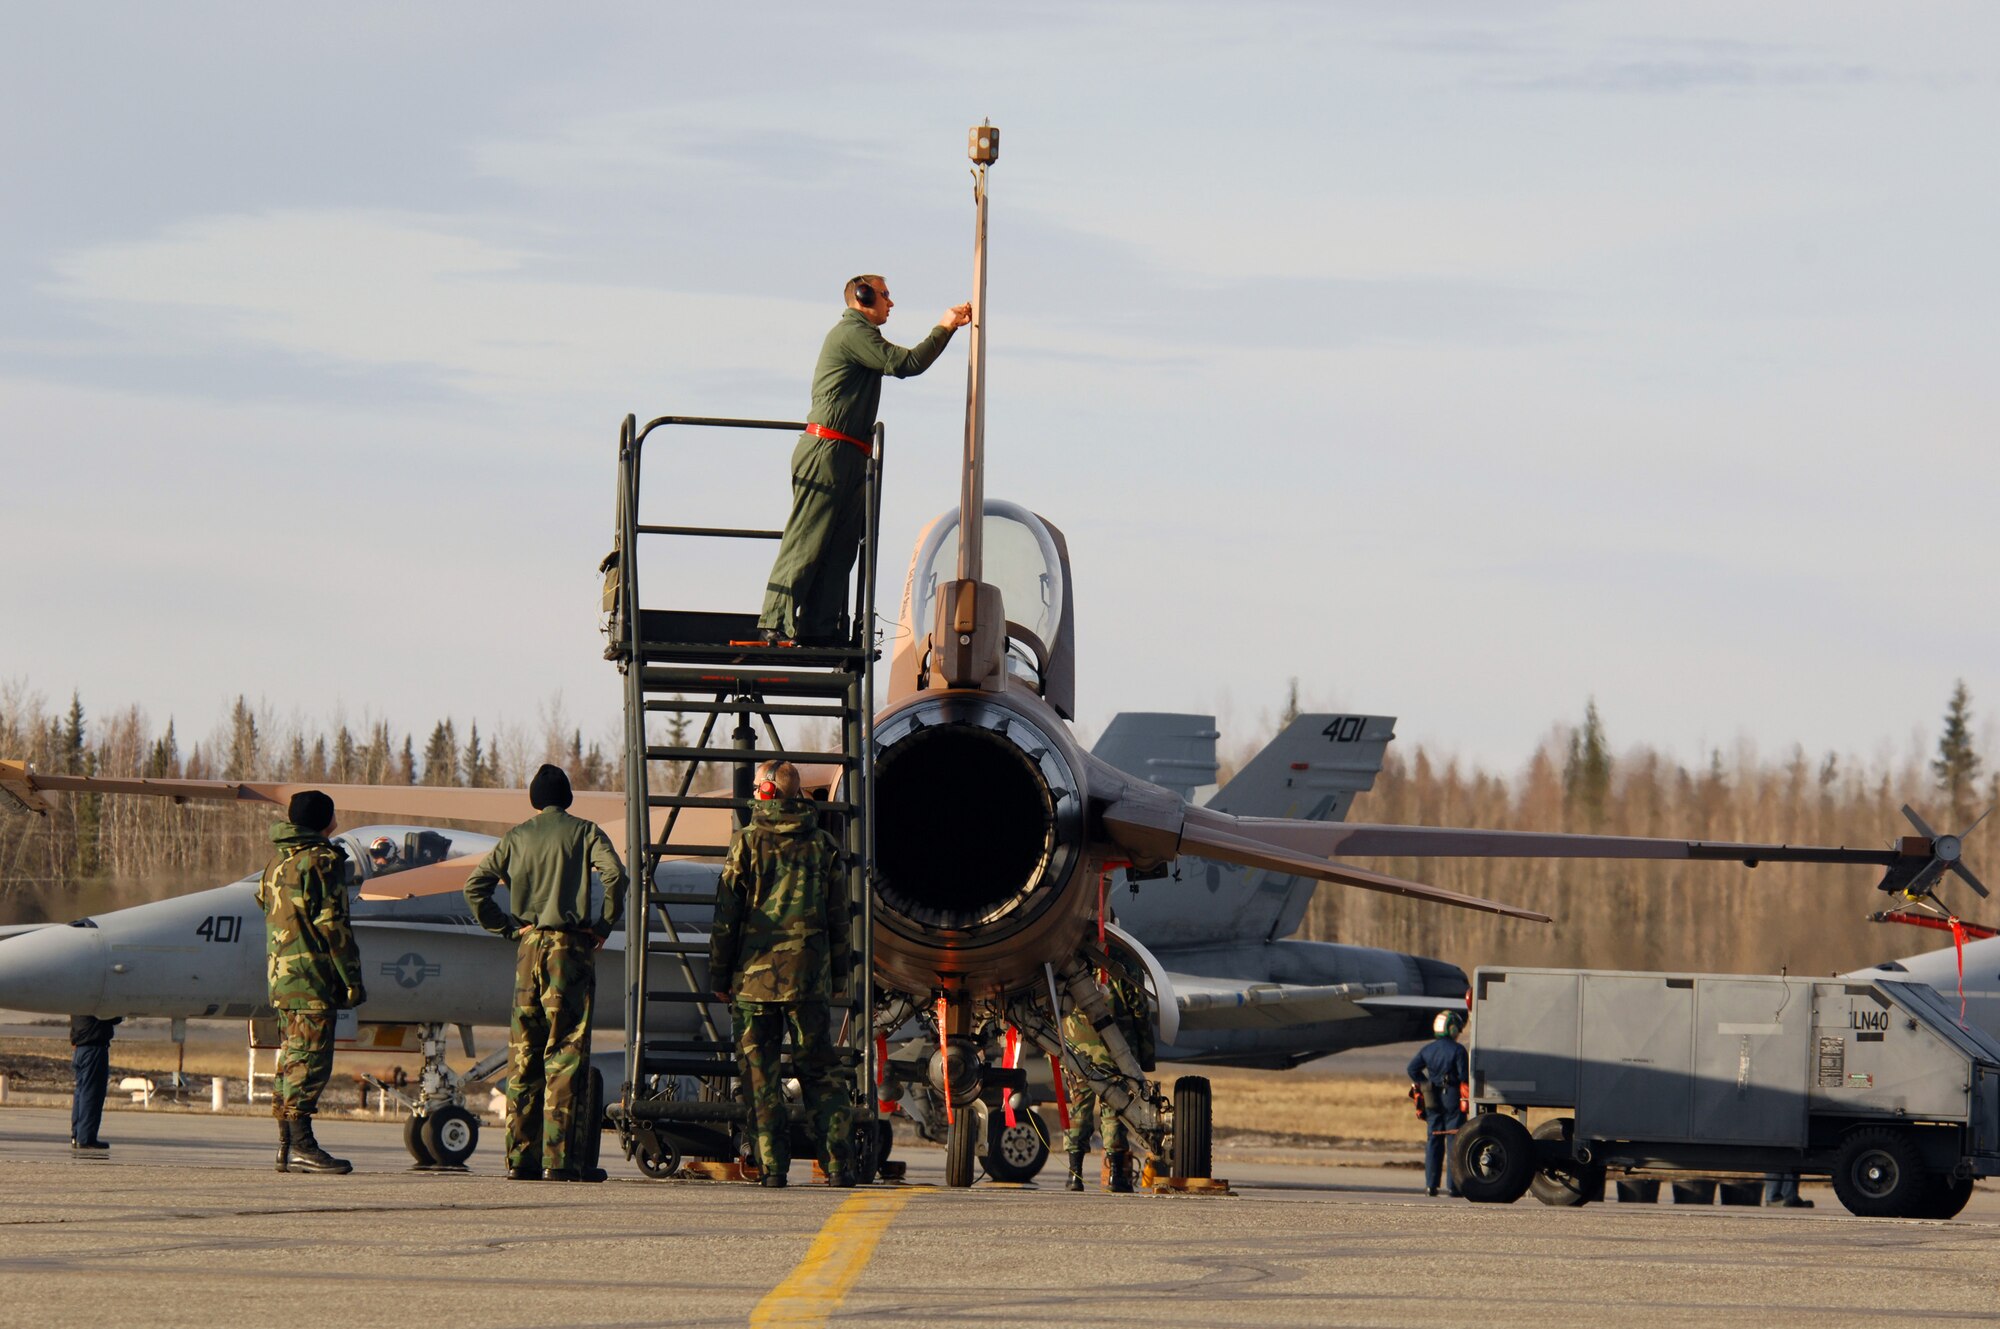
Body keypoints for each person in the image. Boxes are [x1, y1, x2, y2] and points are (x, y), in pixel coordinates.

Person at [757, 276, 972, 645]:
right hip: (828, 451)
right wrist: (945, 326)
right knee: (808, 538)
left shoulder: (861, 336)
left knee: (841, 546)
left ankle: (819, 627)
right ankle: (773, 621)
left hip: (851, 453)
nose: (891, 303)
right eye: (885, 295)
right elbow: (906, 363)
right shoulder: (852, 333)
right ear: (863, 297)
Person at [464, 763, 627, 1182]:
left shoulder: (516, 838)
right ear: (567, 798)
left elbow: (475, 886)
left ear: (534, 799)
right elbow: (616, 875)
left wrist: (505, 927)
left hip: (528, 948)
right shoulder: (585, 832)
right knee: (565, 1053)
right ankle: (560, 1161)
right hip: (570, 950)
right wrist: (604, 925)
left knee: (524, 1056)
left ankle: (520, 1160)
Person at [708, 760, 854, 1187]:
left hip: (755, 980)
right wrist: (838, 975)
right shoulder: (823, 846)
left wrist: (719, 976)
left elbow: (727, 916)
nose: (753, 792)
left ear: (770, 792)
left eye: (757, 786)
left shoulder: (747, 844)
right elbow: (839, 919)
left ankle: (772, 1167)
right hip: (809, 979)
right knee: (820, 1071)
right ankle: (839, 1164)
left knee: (760, 1073)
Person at [258, 789, 365, 1174]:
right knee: (310, 1062)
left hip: (282, 980)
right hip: (313, 979)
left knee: (290, 1060)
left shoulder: (276, 864)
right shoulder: (321, 861)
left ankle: (287, 1146)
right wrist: (351, 978)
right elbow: (332, 924)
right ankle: (302, 1145)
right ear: (324, 820)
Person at [1061, 939, 1155, 1193]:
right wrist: (1146, 1055)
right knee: (1114, 1110)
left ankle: (1074, 1176)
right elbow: (1139, 1008)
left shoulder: (1067, 950)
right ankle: (1116, 1176)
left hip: (1075, 1047)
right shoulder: (1123, 959)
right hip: (1115, 1046)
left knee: (1078, 1110)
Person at [1408, 1010, 1469, 1197]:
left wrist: (1426, 1084)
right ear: (1451, 1029)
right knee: (1454, 1141)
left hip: (1431, 1099)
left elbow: (1412, 1069)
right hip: (1452, 1097)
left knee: (1433, 1140)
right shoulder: (1458, 1050)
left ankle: (1430, 1186)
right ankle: (1453, 1186)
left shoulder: (1427, 1049)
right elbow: (1464, 1076)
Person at [69, 1013, 120, 1154]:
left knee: (81, 1092)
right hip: (94, 1048)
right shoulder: (94, 1002)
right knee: (91, 1094)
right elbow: (113, 1017)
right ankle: (86, 1138)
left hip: (80, 1048)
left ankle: (77, 1135)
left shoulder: (78, 1001)